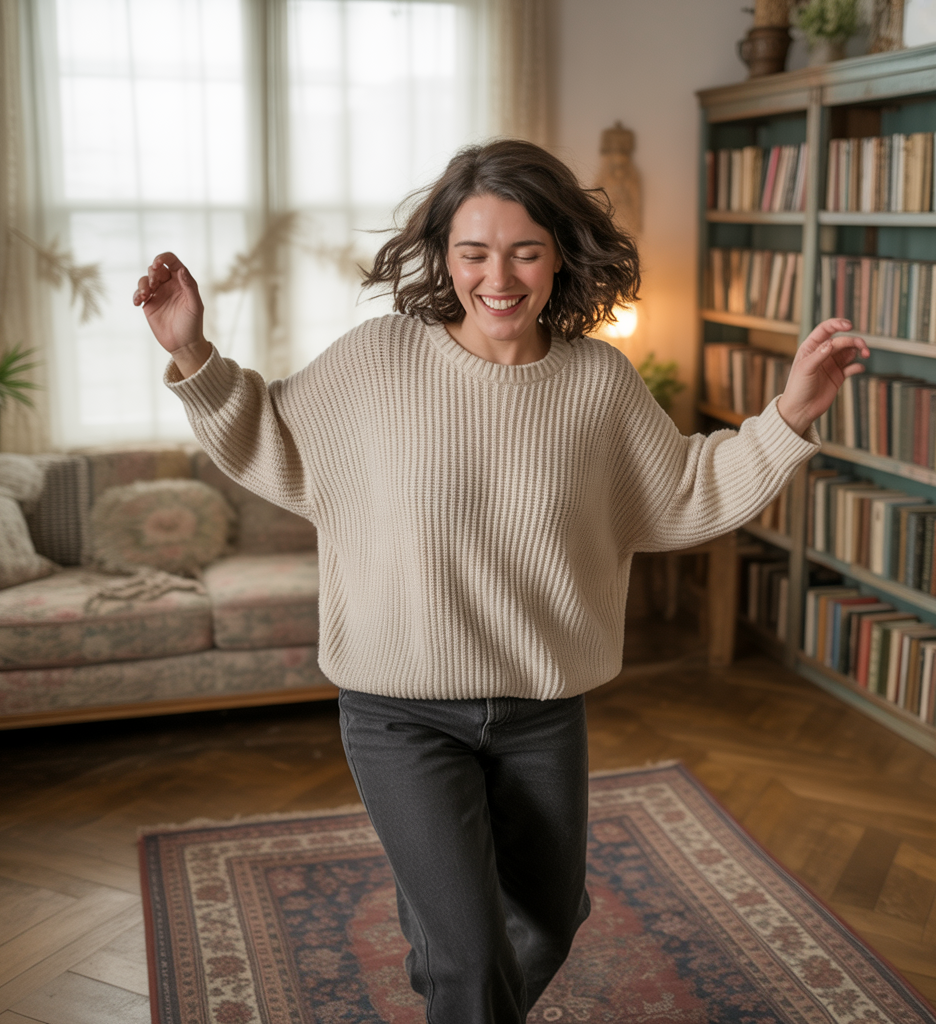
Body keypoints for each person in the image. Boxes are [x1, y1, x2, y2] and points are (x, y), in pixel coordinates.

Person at [134, 139, 867, 1024]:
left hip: (540, 712)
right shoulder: (378, 363)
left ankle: (451, 962)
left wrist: (789, 415)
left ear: (560, 253)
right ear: (445, 257)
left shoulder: (597, 383)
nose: (500, 277)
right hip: (399, 710)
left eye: (524, 250)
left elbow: (684, 488)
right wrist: (193, 349)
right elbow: (271, 436)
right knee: (473, 961)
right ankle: (457, 969)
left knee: (550, 924)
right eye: (474, 252)